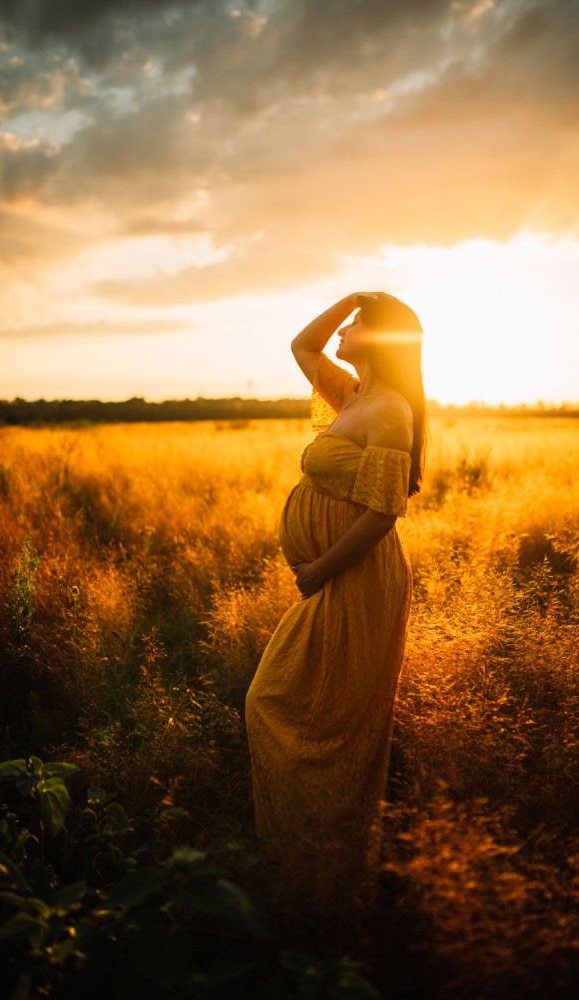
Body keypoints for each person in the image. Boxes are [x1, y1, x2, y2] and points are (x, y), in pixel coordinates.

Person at [245, 291, 426, 910]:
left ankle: (330, 880)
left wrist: (319, 566)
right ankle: (300, 864)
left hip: (356, 579)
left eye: (354, 325)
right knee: (293, 707)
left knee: (307, 715)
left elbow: (382, 513)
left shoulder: (391, 412)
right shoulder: (349, 395)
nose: (342, 330)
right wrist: (351, 297)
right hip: (330, 578)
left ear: (377, 340)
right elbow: (303, 345)